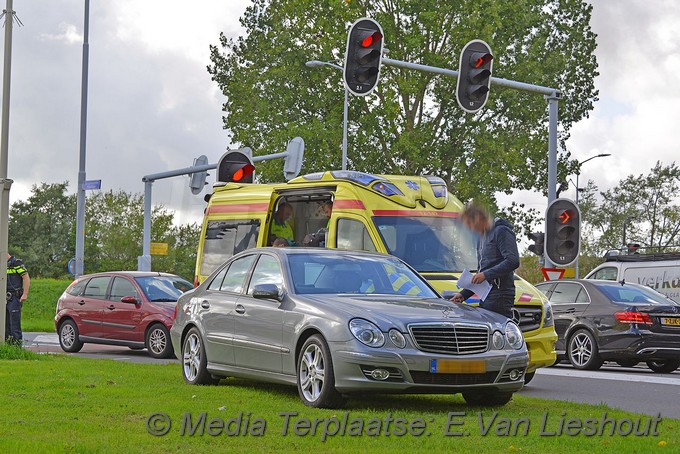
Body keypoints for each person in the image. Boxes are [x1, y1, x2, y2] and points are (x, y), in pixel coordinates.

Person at [451, 203, 519, 318]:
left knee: (497, 332)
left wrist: (486, 274)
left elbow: (513, 261)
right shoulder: (482, 238)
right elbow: (482, 272)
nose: (470, 229)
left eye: (469, 224)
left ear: (477, 218)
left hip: (500, 295)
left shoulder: (501, 231)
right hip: (487, 295)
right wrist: (464, 294)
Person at [6, 253, 30, 345]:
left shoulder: (16, 263)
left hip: (14, 297)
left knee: (14, 325)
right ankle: (7, 346)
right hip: (4, 298)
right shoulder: (3, 265)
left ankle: (16, 348)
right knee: (5, 325)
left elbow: (26, 278)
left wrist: (25, 294)